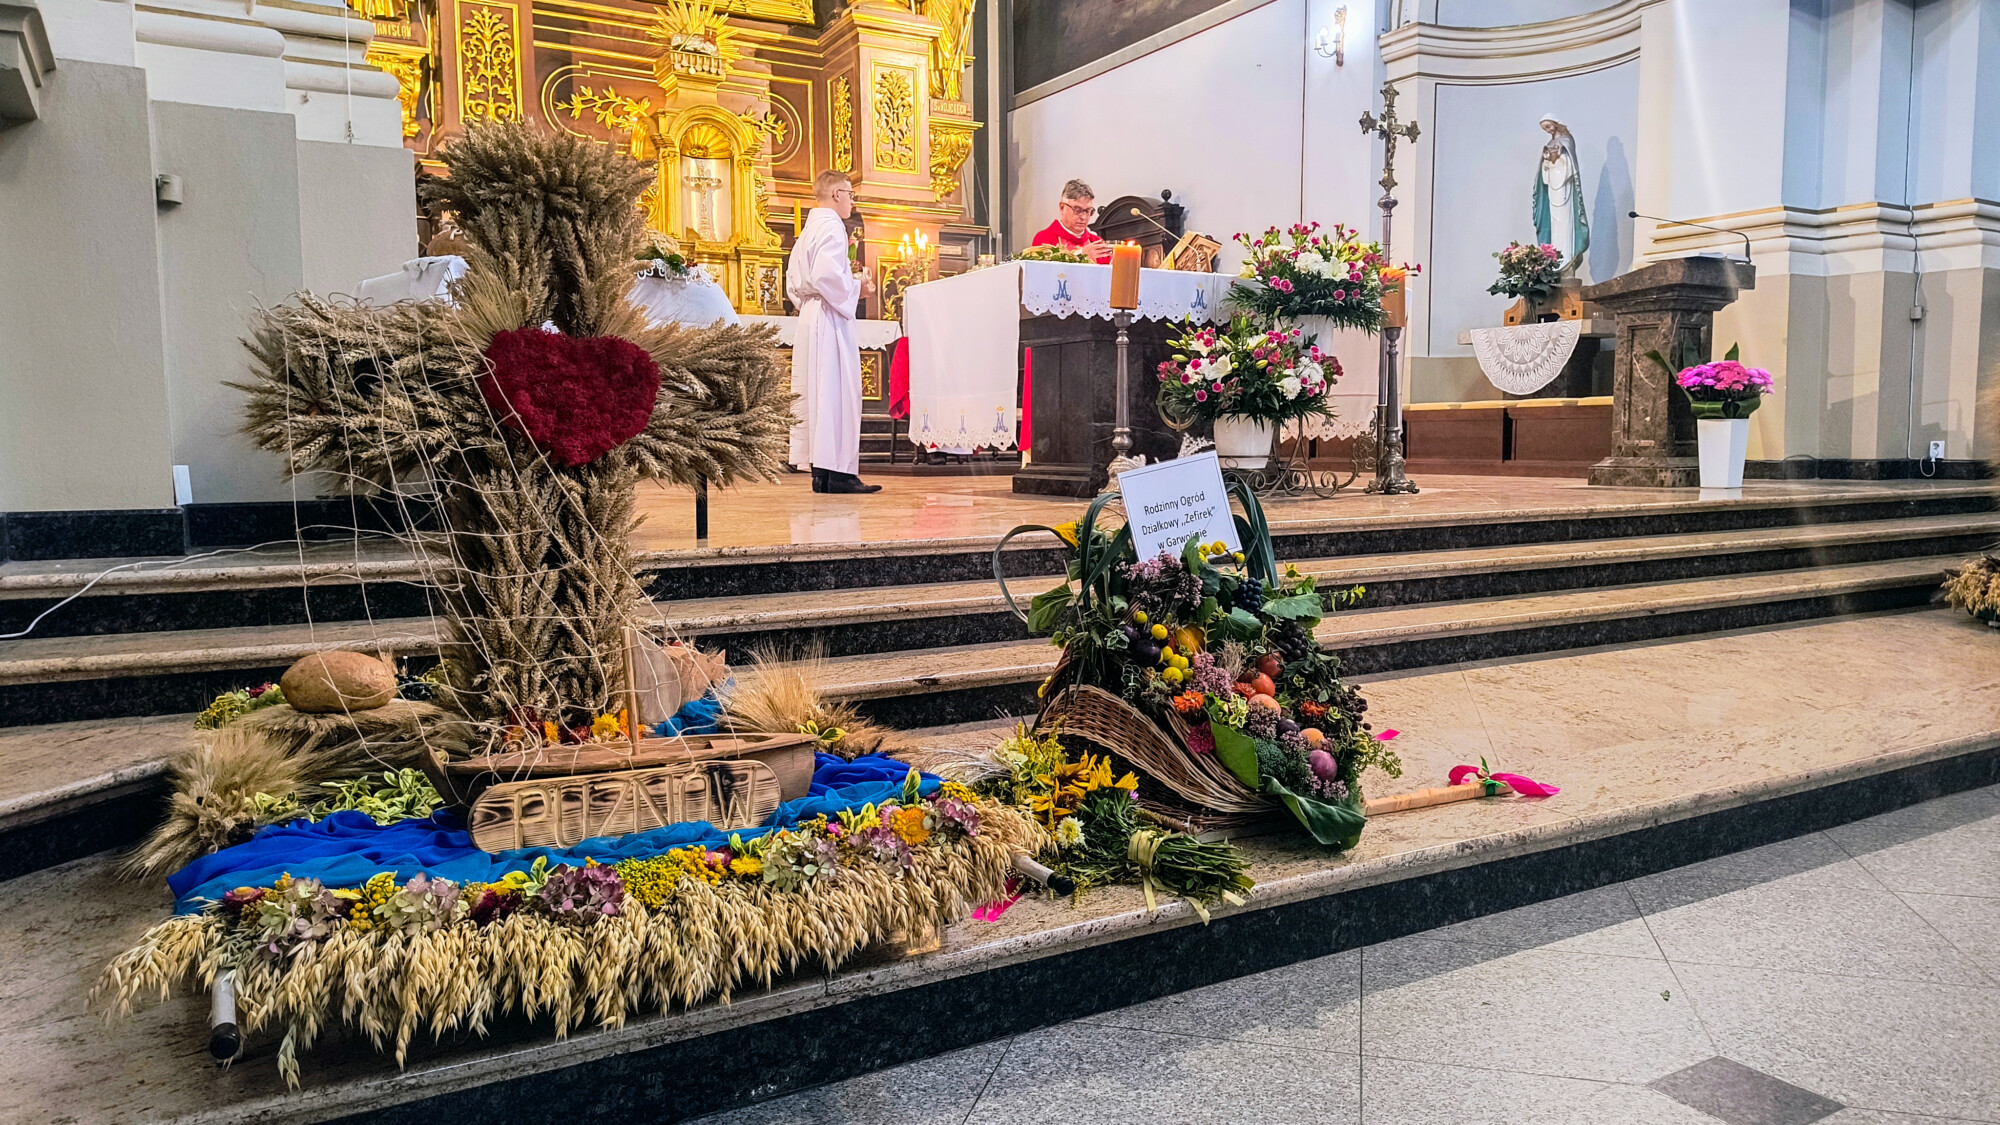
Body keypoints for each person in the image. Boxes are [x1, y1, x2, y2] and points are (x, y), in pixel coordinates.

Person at [788, 169, 881, 494]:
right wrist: (858, 289)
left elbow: (794, 282)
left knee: (819, 394)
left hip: (812, 314)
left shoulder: (808, 229)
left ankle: (823, 473)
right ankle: (840, 474)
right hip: (829, 316)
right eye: (850, 194)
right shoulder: (832, 226)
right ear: (836, 194)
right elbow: (826, 275)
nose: (852, 202)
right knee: (837, 393)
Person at [1031, 179, 1112, 262]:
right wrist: (1081, 256)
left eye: (1087, 211)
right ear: (1062, 207)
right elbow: (1043, 269)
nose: (1083, 217)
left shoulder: (1097, 243)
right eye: (1077, 210)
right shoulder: (1044, 239)